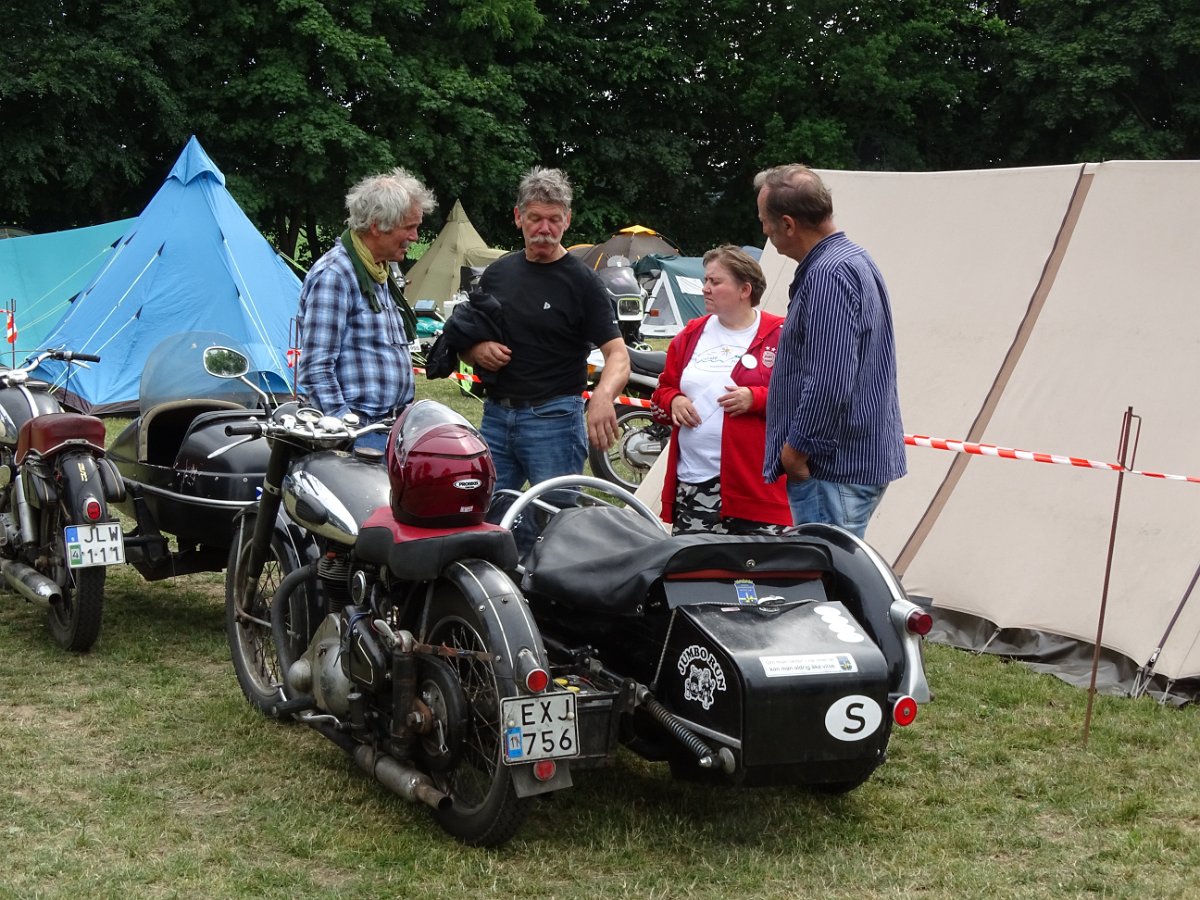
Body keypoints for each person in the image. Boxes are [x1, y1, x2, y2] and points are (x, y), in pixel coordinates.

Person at [755, 164, 906, 538]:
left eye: (766, 222)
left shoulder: (827, 275)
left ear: (788, 224)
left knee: (828, 583)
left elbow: (829, 378)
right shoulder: (852, 259)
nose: (764, 231)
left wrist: (796, 453)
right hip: (848, 463)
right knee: (839, 575)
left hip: (831, 468)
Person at [465, 167, 630, 495]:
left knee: (555, 523)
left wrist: (602, 396)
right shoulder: (496, 274)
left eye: (554, 220)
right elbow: (467, 340)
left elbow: (618, 355)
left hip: (554, 421)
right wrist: (476, 351)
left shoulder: (583, 282)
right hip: (496, 417)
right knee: (487, 519)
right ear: (518, 217)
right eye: (536, 218)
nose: (544, 229)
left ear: (567, 220)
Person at [650, 245, 790, 534]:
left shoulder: (780, 334)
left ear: (745, 289)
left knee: (755, 575)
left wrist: (756, 398)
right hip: (693, 484)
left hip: (754, 490)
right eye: (706, 281)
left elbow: (803, 396)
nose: (705, 289)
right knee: (694, 575)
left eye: (715, 282)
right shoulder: (691, 333)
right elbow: (664, 389)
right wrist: (673, 400)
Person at [296, 168, 437, 451]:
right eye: (409, 227)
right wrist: (345, 429)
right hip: (360, 433)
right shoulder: (335, 274)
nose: (415, 236)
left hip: (390, 429)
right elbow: (315, 369)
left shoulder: (379, 271)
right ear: (377, 226)